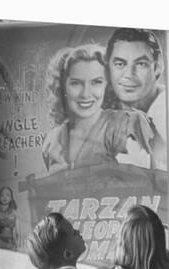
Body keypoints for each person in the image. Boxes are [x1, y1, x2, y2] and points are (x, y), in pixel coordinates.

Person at [42, 43, 155, 173]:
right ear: (63, 87)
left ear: (108, 85)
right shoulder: (53, 140)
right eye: (76, 83)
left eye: (96, 82)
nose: (85, 94)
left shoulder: (125, 125)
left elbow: (141, 186)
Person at [105, 28, 167, 170]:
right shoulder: (103, 112)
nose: (129, 75)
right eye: (120, 64)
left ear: (157, 68)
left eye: (140, 64)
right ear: (108, 68)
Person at [0, 186, 20, 250]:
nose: (5, 197)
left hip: (10, 246)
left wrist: (16, 246)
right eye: (2, 195)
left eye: (8, 195)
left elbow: (16, 233)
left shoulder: (14, 214)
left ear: (11, 198)